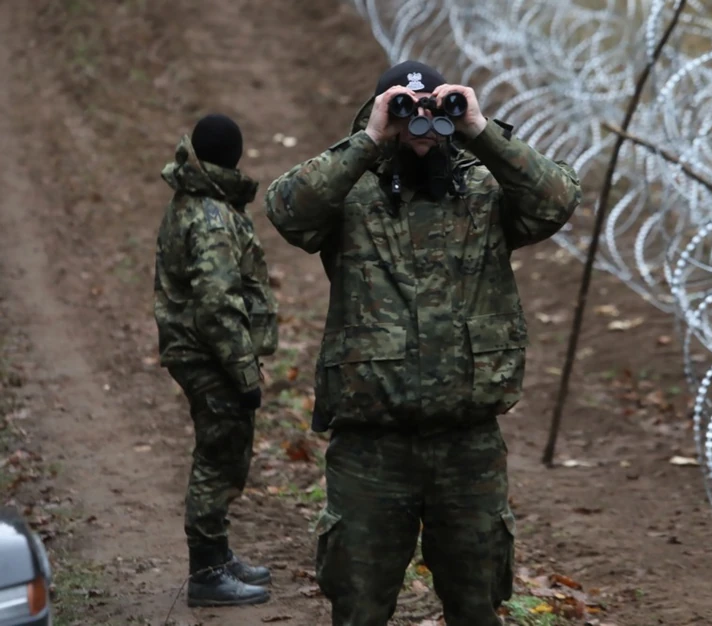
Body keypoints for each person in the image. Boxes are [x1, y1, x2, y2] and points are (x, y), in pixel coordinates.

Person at [265, 60, 582, 625]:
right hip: (371, 446)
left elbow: (556, 200)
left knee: (477, 605)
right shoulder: (351, 193)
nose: (420, 129)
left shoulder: (483, 190)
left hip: (467, 445)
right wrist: (369, 139)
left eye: (432, 112)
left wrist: (479, 129)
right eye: (404, 112)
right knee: (359, 606)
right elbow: (288, 210)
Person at [153, 113, 279, 607]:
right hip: (209, 355)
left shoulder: (199, 201)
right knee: (217, 455)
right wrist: (244, 372)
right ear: (231, 157)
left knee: (224, 450)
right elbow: (217, 304)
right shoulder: (210, 216)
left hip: (203, 351)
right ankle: (206, 573)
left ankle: (218, 555)